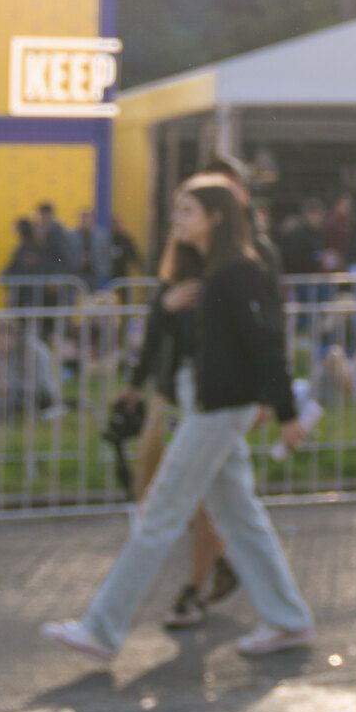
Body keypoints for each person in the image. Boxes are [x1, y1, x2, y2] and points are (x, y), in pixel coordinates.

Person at [40, 175, 315, 662]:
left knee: (161, 512)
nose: (177, 220)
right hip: (204, 402)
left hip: (220, 407)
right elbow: (170, 335)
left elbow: (268, 346)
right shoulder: (199, 272)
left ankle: (102, 628)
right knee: (240, 517)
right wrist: (157, 330)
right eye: (177, 209)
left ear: (216, 217)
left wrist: (287, 413)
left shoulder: (240, 272)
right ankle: (288, 620)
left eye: (187, 210)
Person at [110, 235, 234, 630]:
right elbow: (153, 334)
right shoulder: (172, 279)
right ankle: (226, 560)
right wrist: (135, 382)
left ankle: (196, 586)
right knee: (149, 487)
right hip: (167, 400)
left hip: (205, 404)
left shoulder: (226, 273)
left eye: (188, 212)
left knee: (197, 497)